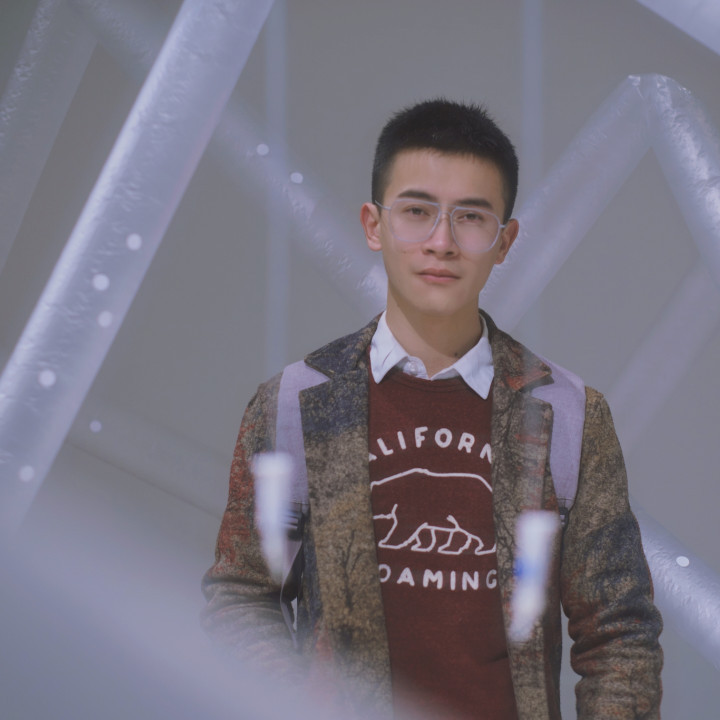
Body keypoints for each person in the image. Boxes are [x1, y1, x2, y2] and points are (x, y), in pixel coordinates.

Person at [201, 99, 663, 719]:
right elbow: (242, 596)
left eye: (470, 218)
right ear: (373, 225)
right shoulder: (296, 404)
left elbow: (619, 632)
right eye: (417, 212)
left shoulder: (567, 414)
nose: (441, 242)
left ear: (504, 241)